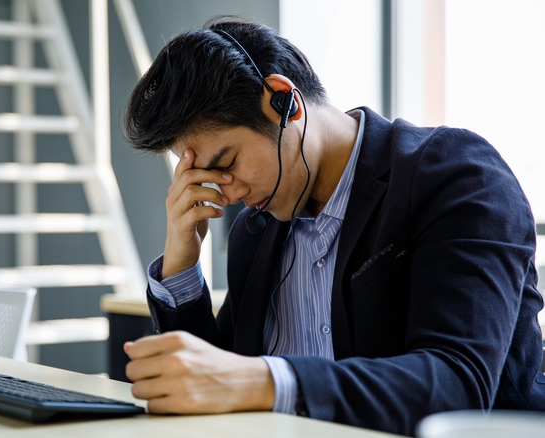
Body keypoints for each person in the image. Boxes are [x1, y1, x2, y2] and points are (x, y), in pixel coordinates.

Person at [121, 17, 545, 436]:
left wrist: (267, 381)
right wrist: (181, 263)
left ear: (283, 101)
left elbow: (457, 384)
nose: (226, 195)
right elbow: (213, 382)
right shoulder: (255, 232)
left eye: (227, 163)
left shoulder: (456, 175)